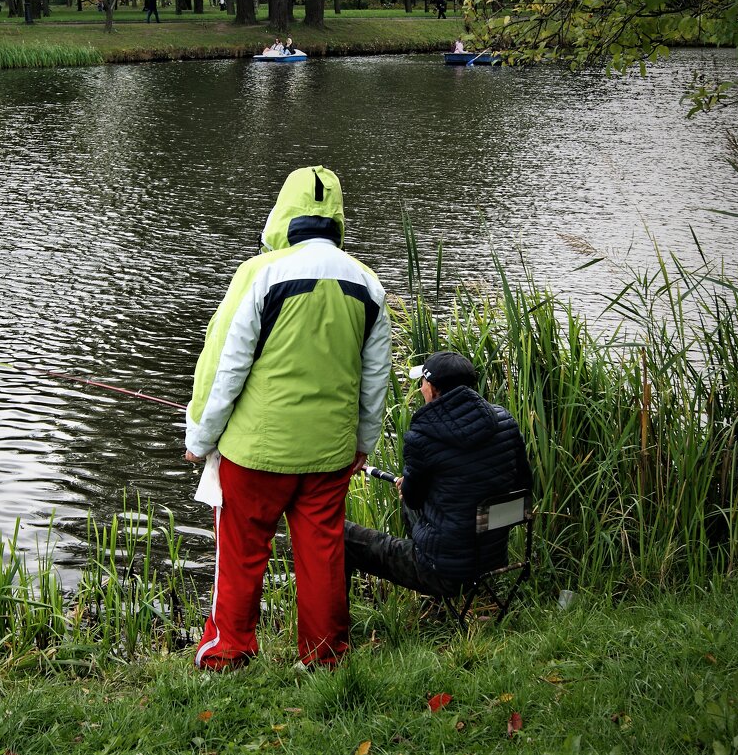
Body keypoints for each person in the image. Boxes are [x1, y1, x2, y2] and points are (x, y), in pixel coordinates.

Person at [184, 166, 392, 671]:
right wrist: (363, 443)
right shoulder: (367, 283)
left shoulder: (259, 273)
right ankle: (323, 658)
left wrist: (200, 436)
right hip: (329, 455)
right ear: (337, 217)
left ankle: (228, 650)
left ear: (284, 213)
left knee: (241, 551)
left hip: (256, 452)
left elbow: (222, 367)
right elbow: (374, 380)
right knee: (322, 552)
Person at [344, 351, 533, 598]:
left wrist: (409, 487)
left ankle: (332, 632)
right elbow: (524, 484)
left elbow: (412, 500)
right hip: (492, 560)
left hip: (443, 572)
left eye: (422, 383)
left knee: (340, 535)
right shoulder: (506, 421)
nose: (420, 388)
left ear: (431, 389)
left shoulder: (423, 437)